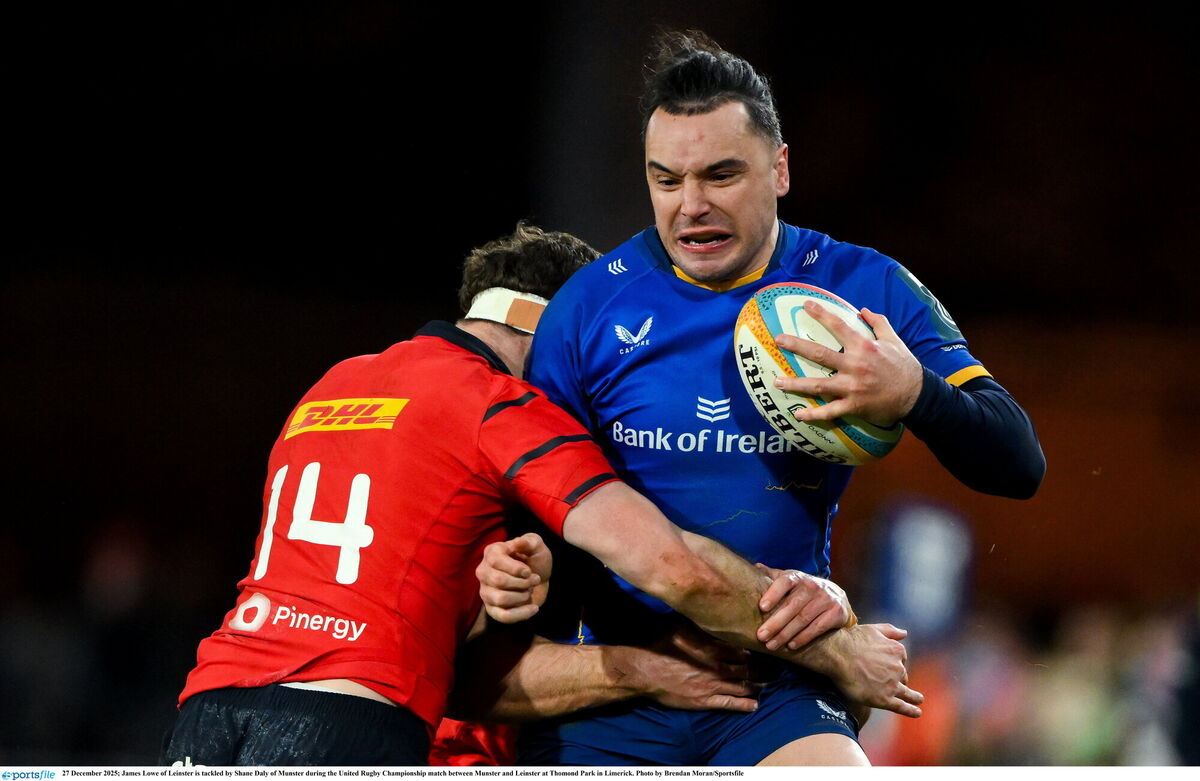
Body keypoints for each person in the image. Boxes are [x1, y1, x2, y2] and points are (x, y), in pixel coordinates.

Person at [478, 30, 1046, 767]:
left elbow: (1017, 461)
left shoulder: (861, 289)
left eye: (720, 175)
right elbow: (540, 520)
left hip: (778, 684)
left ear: (779, 168)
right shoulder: (587, 310)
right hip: (616, 691)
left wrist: (912, 391)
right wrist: (521, 570)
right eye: (667, 179)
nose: (691, 207)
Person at [159, 222, 902, 767]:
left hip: (209, 700)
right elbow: (669, 564)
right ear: (540, 323)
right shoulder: (498, 405)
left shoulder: (334, 381)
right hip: (351, 721)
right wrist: (838, 648)